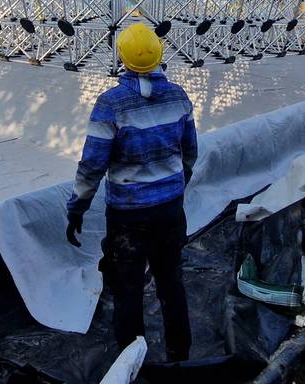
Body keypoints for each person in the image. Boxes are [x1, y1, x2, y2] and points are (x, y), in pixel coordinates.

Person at [65, 23, 197, 362]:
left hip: (128, 216)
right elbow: (189, 153)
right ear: (158, 55)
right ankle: (179, 354)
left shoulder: (111, 105)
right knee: (172, 282)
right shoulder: (179, 96)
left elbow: (92, 165)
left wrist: (77, 207)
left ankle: (131, 361)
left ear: (121, 58)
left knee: (128, 289)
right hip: (170, 210)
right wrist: (174, 186)